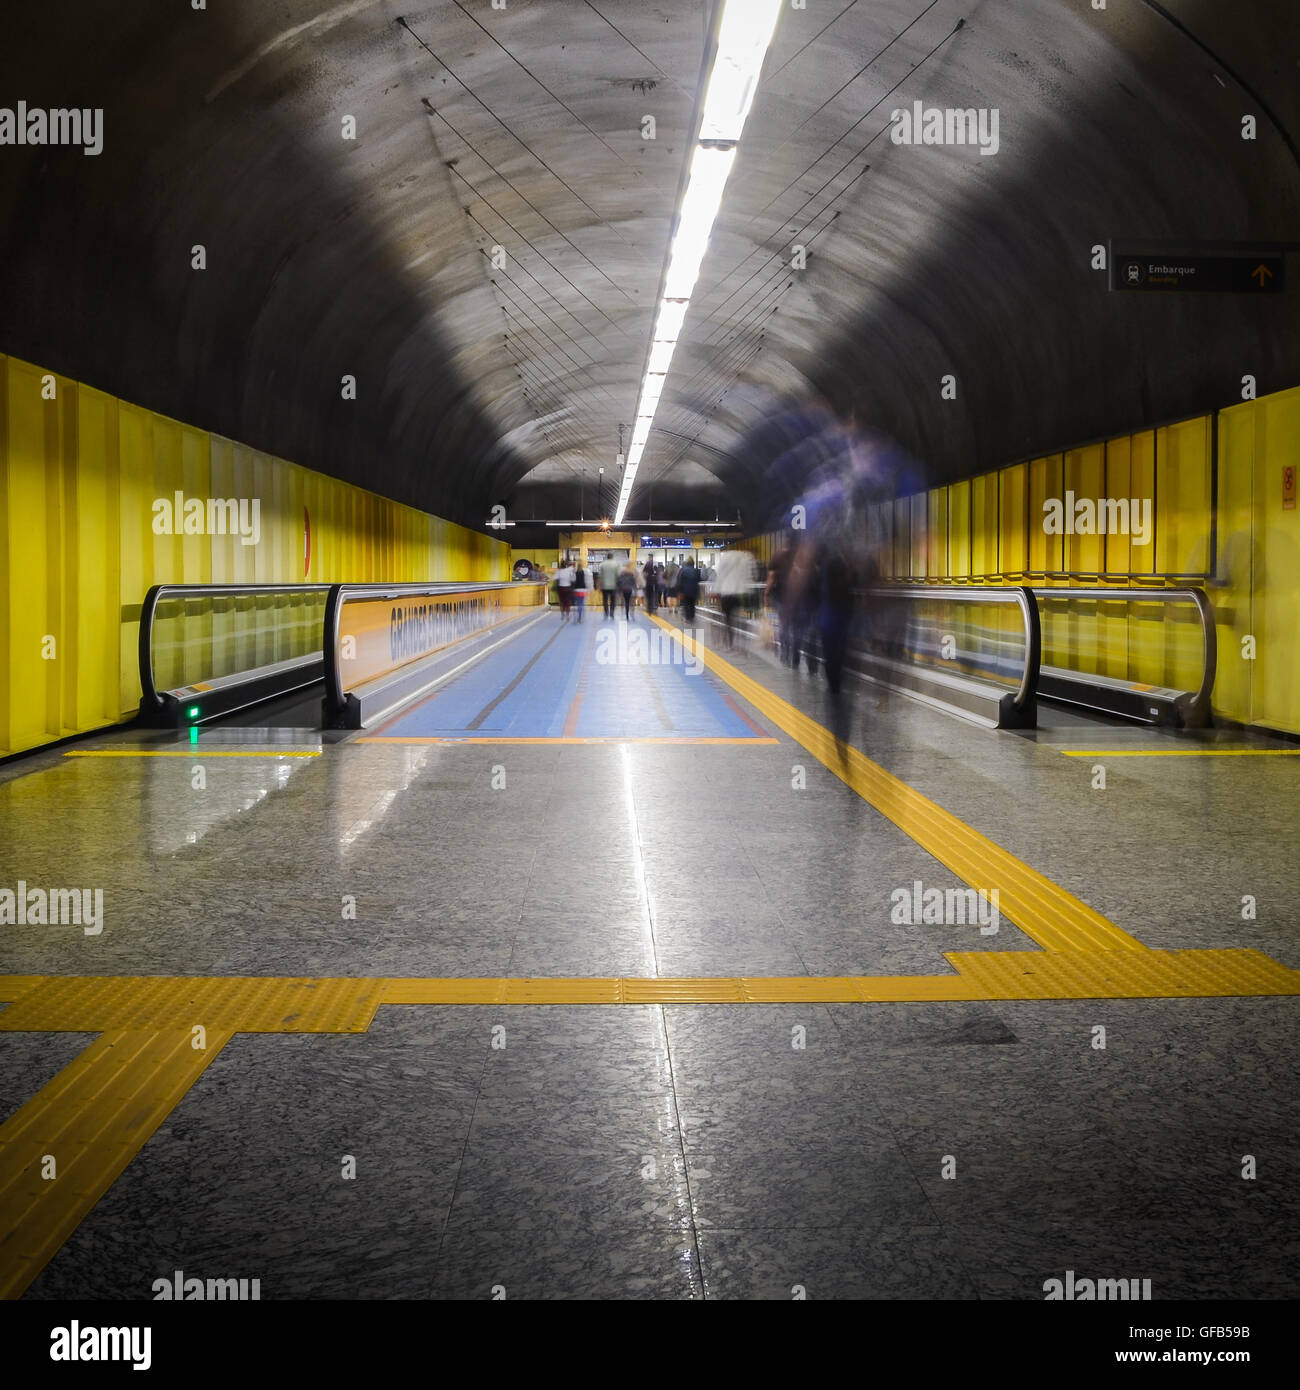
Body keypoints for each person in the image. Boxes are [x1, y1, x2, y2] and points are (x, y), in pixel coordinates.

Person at [715, 547, 757, 650]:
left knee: (727, 619)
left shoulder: (724, 559)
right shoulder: (746, 557)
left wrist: (717, 590)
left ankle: (729, 642)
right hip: (740, 592)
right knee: (739, 616)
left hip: (726, 592)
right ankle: (741, 641)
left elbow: (719, 576)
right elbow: (752, 575)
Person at [677, 555, 700, 625]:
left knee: (686, 604)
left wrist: (680, 591)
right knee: (692, 605)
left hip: (685, 591)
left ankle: (687, 618)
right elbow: (699, 580)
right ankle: (692, 617)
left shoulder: (683, 570)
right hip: (694, 591)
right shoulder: (696, 570)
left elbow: (680, 581)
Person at [598, 552, 621, 619]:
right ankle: (612, 613)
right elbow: (618, 575)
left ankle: (606, 613)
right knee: (613, 600)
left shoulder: (602, 564)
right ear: (612, 557)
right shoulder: (616, 564)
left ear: (607, 557)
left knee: (605, 600)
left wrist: (599, 586)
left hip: (604, 586)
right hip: (613, 586)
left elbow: (600, 577)